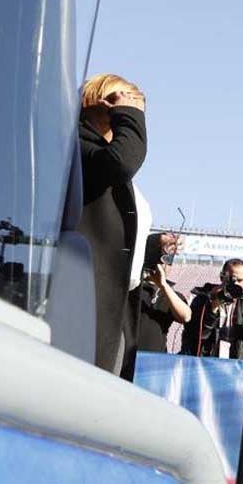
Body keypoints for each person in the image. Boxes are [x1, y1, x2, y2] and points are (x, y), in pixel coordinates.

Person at [77, 73, 148, 376]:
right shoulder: (77, 142)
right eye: (123, 100)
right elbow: (121, 163)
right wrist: (129, 116)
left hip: (116, 304)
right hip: (83, 296)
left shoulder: (104, 153)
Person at [122, 231, 191, 379]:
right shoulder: (132, 285)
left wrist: (163, 285)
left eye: (168, 261)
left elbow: (186, 316)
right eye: (161, 260)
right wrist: (159, 242)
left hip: (154, 366)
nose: (163, 266)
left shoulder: (171, 294)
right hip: (124, 358)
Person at [181, 258, 243, 359]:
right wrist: (213, 308)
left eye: (240, 280)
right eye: (232, 279)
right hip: (205, 363)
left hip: (234, 365)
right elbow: (195, 335)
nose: (236, 284)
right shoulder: (203, 298)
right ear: (222, 276)